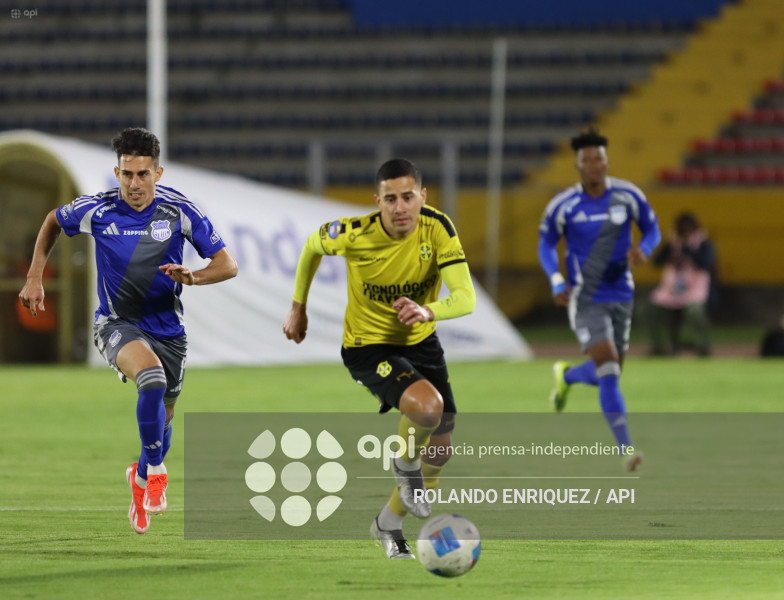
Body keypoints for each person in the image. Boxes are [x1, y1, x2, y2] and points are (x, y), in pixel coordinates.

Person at [18, 128, 238, 534]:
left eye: (142, 174)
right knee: (150, 380)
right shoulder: (98, 210)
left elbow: (227, 264)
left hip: (169, 330)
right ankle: (155, 472)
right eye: (126, 174)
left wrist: (194, 277)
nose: (134, 184)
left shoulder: (180, 211)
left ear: (158, 172)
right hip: (117, 324)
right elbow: (52, 221)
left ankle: (138, 478)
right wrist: (35, 277)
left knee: (164, 419)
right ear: (116, 172)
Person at [283, 158, 475, 559]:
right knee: (428, 408)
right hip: (367, 347)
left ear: (422, 196)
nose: (400, 207)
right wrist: (298, 307)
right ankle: (405, 465)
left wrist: (428, 311)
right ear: (378, 201)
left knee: (440, 451)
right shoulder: (354, 234)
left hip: (421, 340)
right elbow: (311, 247)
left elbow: (465, 297)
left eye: (408, 197)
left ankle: (387, 524)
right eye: (391, 199)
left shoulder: (437, 228)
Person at [537, 128, 661, 471]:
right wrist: (556, 278)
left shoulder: (628, 195)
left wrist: (645, 249)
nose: (594, 164)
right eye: (586, 159)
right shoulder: (564, 205)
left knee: (611, 372)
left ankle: (568, 377)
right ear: (577, 165)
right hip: (585, 295)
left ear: (607, 161)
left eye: (599, 158)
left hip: (622, 293)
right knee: (607, 367)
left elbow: (653, 228)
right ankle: (626, 449)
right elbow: (546, 244)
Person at [647, 212, 716, 356]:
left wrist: (687, 247)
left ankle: (703, 346)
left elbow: (706, 263)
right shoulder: (673, 244)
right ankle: (659, 347)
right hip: (671, 290)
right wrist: (669, 245)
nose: (685, 233)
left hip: (695, 291)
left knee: (695, 312)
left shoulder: (703, 244)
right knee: (648, 310)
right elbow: (656, 262)